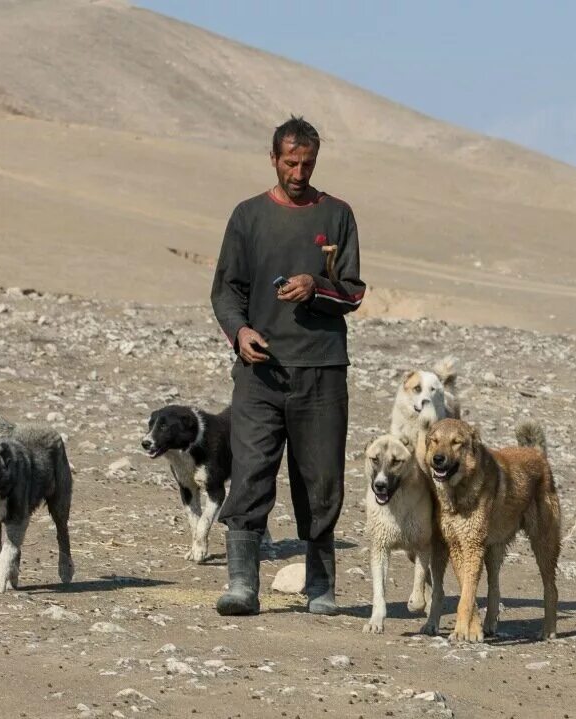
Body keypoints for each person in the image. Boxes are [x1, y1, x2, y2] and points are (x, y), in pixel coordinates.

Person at [210, 116, 365, 616]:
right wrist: (240, 333)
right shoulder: (247, 217)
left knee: (320, 480)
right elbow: (226, 291)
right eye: (291, 162)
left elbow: (353, 291)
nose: (299, 172)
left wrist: (315, 286)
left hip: (322, 371)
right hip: (259, 373)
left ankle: (321, 586)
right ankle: (241, 585)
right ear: (273, 158)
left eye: (308, 163)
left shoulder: (338, 214)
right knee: (251, 472)